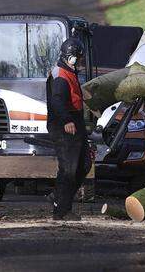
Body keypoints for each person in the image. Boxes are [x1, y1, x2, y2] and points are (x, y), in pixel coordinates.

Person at [46, 37, 91, 221]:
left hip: (75, 122)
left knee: (84, 164)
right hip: (63, 124)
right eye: (79, 59)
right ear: (70, 58)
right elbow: (57, 101)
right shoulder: (61, 76)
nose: (80, 62)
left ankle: (58, 197)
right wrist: (66, 120)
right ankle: (61, 210)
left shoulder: (68, 71)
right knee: (68, 169)